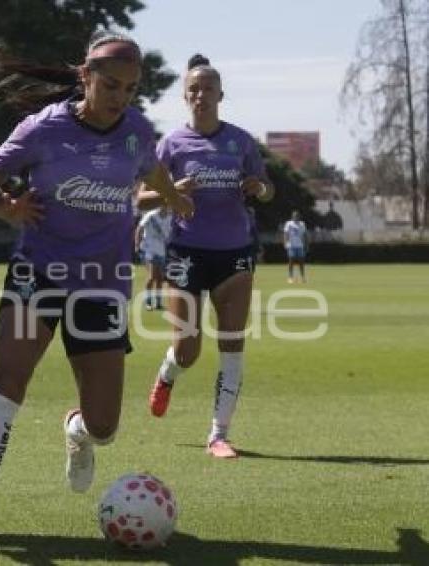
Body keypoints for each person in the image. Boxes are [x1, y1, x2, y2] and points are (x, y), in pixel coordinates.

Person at [0, 31, 192, 551]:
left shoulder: (137, 132)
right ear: (86, 76)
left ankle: (76, 429)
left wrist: (171, 197)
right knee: (6, 383)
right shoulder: (42, 130)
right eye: (111, 85)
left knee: (105, 427)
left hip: (102, 287)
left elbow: (153, 174)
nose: (119, 96)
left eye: (130, 88)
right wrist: (6, 208)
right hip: (38, 272)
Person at [144, 54, 274, 460]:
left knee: (232, 344)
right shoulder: (171, 144)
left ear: (220, 94)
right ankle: (167, 376)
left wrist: (259, 187)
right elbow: (140, 197)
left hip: (235, 254)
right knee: (188, 349)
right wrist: (171, 191)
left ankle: (219, 434)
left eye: (208, 89)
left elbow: (268, 190)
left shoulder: (241, 141)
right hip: (185, 253)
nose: (201, 95)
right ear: (186, 97)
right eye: (193, 90)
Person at [134, 205, 172, 310]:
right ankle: (148, 302)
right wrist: (137, 245)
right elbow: (139, 228)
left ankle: (158, 302)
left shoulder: (171, 217)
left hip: (163, 251)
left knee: (160, 278)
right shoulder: (151, 215)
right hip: (150, 250)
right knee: (152, 277)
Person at [283, 210, 308, 283]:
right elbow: (285, 233)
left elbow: (304, 235)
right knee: (291, 261)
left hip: (300, 245)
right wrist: (285, 243)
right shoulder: (289, 224)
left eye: (297, 216)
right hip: (291, 245)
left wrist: (306, 244)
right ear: (292, 216)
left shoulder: (302, 224)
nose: (296, 217)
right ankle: (290, 277)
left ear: (299, 216)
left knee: (301, 262)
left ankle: (302, 277)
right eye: (294, 216)